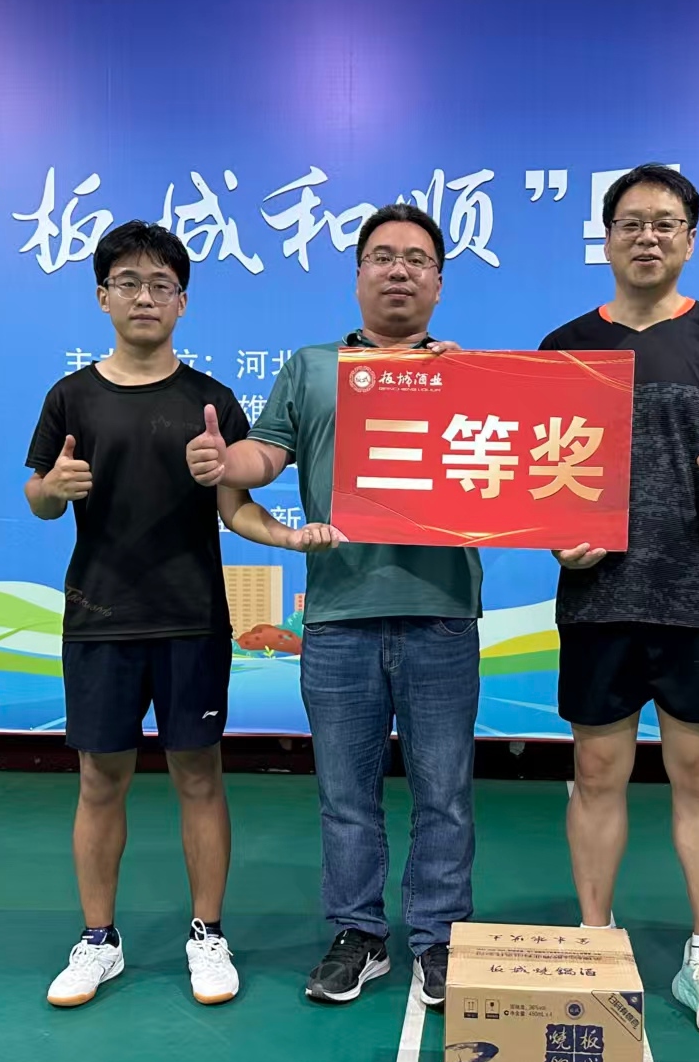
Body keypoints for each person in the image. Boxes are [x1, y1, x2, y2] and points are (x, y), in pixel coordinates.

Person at [25, 221, 341, 1011]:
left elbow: (237, 506)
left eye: (161, 284)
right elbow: (38, 496)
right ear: (102, 297)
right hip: (98, 619)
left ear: (182, 302)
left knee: (199, 774)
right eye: (128, 282)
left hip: (192, 618)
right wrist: (52, 490)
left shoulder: (212, 401)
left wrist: (290, 535)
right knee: (100, 778)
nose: (145, 296)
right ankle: (99, 939)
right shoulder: (70, 397)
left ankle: (207, 932)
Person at [185, 204, 479, 1011]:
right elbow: (265, 453)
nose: (398, 270)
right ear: (357, 276)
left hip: (443, 610)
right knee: (346, 794)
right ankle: (359, 933)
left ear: (439, 282)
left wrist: (480, 383)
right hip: (340, 614)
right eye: (381, 256)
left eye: (416, 259)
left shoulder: (468, 372)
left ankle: (440, 936)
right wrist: (223, 460)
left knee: (445, 792)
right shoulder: (314, 367)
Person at [538, 164, 699, 1039]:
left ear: (690, 238)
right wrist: (556, 535)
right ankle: (594, 941)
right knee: (596, 774)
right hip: (598, 597)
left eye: (666, 223)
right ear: (607, 237)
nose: (647, 236)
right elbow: (536, 474)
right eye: (631, 222)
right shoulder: (566, 343)